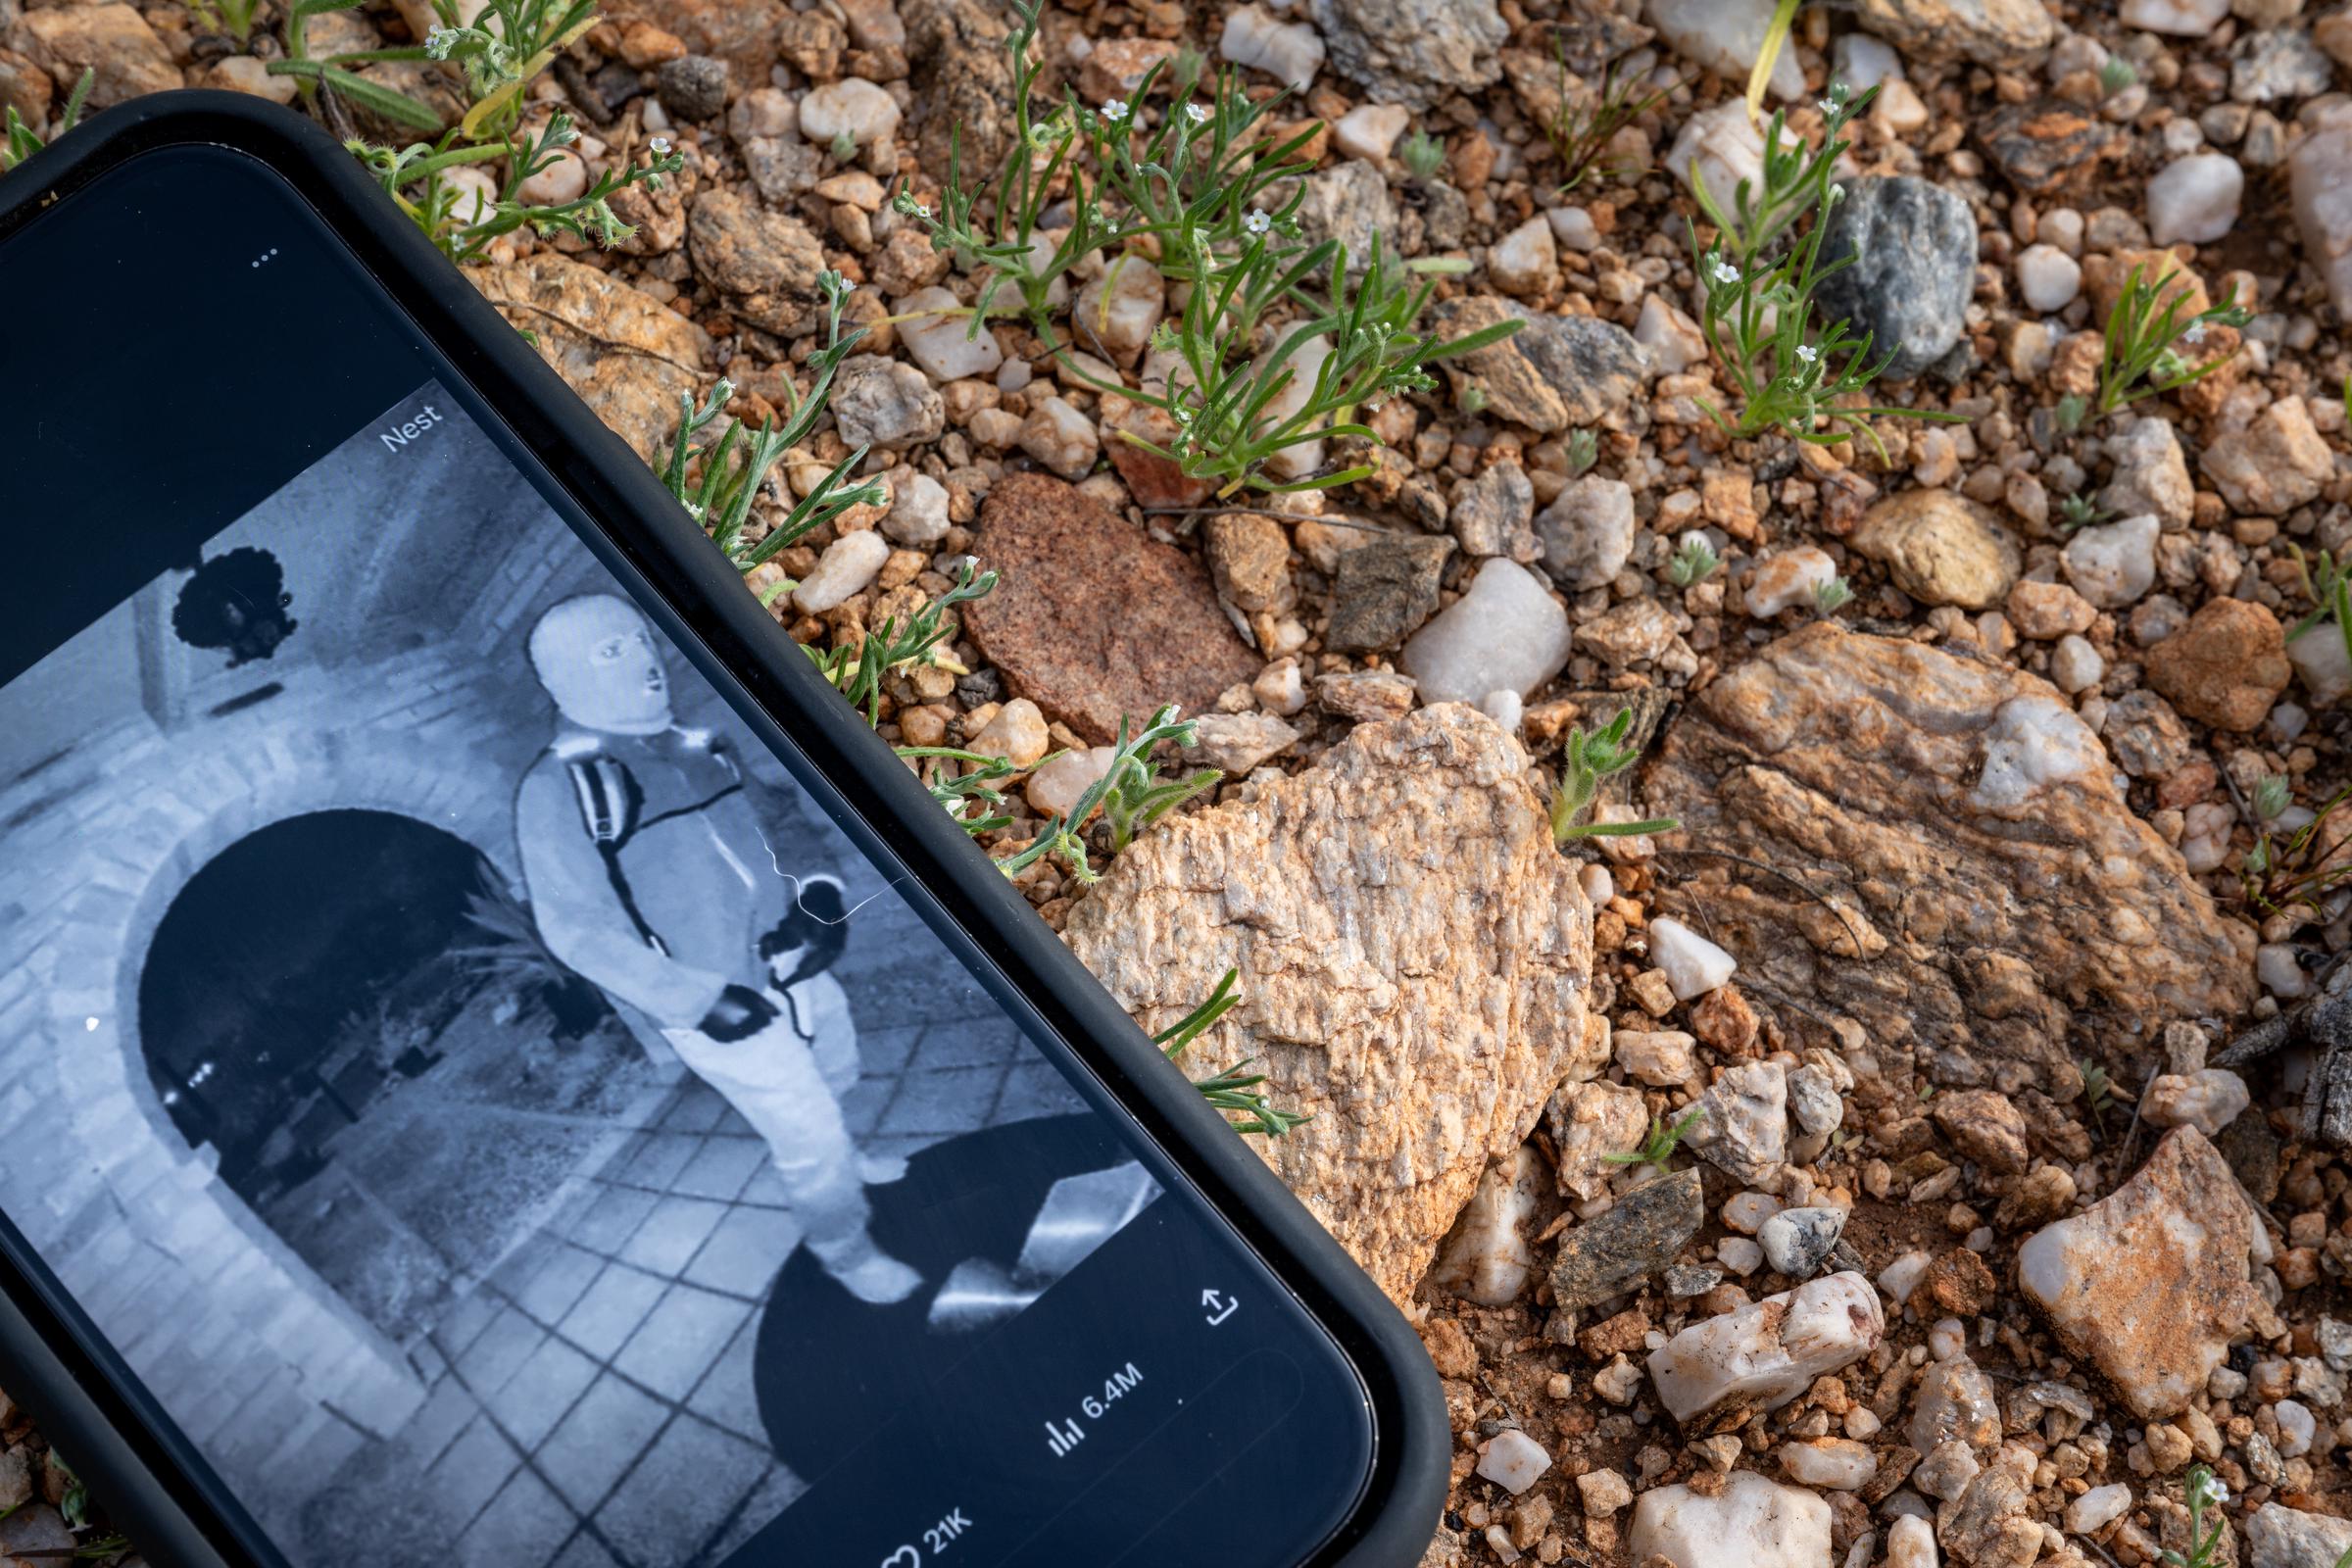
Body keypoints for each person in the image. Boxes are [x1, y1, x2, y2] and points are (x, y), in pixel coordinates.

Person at [512, 593, 919, 1303]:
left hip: (785, 955)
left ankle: (849, 1157)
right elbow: (576, 929)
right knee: (804, 1130)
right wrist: (697, 1000)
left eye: (639, 638)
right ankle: (845, 1250)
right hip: (711, 999)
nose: (645, 659)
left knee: (836, 1063)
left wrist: (817, 896)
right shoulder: (558, 790)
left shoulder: (700, 746)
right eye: (613, 652)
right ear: (564, 679)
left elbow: (783, 823)